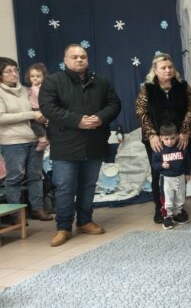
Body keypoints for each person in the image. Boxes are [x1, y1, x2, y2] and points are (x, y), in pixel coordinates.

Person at [40, 44, 121, 246]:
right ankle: (63, 227)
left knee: (88, 185)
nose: (79, 60)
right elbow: (48, 108)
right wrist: (78, 121)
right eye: (74, 57)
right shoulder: (53, 81)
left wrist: (100, 118)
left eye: (83, 56)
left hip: (94, 142)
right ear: (65, 60)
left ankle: (85, 221)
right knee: (65, 186)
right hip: (65, 144)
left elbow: (114, 104)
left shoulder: (101, 81)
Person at [135, 52, 191, 224]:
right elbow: (141, 112)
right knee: (159, 174)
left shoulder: (182, 86)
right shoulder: (147, 88)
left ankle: (178, 208)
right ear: (155, 70)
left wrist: (185, 132)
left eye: (170, 67)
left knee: (180, 172)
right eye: (163, 67)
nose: (168, 70)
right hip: (157, 141)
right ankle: (161, 209)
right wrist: (152, 135)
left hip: (182, 138)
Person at [0, 57, 51, 221]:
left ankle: (38, 209)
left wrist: (43, 118)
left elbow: (38, 110)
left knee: (35, 176)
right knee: (15, 178)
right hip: (12, 142)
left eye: (15, 70)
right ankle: (16, 215)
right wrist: (31, 114)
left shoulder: (26, 90)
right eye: (8, 71)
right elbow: (2, 118)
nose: (14, 74)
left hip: (34, 139)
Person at [151, 123, 191, 230]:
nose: (170, 141)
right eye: (166, 139)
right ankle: (167, 217)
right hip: (167, 179)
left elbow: (187, 161)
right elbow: (154, 165)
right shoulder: (159, 150)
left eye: (172, 138)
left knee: (180, 196)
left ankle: (178, 213)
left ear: (177, 136)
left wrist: (187, 173)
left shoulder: (181, 147)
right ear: (161, 138)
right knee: (167, 199)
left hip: (180, 177)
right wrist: (162, 165)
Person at [25, 63, 48, 151]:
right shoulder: (30, 88)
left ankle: (42, 139)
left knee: (35, 124)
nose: (35, 78)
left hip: (39, 109)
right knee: (38, 125)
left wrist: (33, 88)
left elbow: (39, 95)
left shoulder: (42, 87)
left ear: (44, 77)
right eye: (32, 76)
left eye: (38, 76)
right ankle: (45, 139)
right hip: (33, 109)